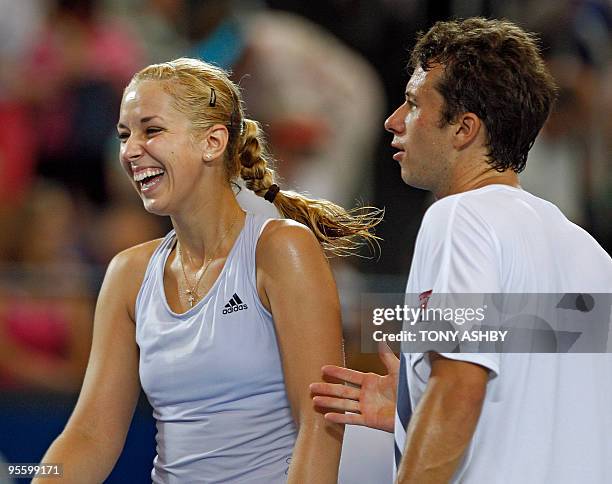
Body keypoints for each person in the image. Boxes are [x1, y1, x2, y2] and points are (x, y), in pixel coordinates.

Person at [35, 57, 381, 483]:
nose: (129, 150)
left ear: (212, 143)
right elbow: (90, 434)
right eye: (124, 135)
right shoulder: (127, 274)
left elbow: (322, 424)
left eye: (152, 130)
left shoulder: (281, 250)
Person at [311, 17, 612, 483]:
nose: (393, 121)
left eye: (412, 104)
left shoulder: (460, 218)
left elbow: (460, 388)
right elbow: (530, 401)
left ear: (464, 129)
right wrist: (415, 402)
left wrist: (440, 397)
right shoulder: (590, 253)